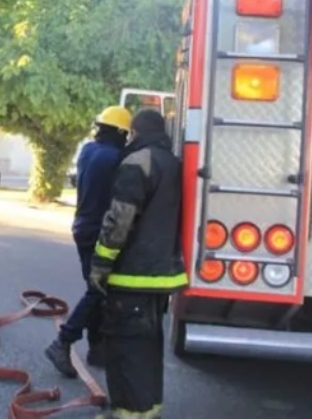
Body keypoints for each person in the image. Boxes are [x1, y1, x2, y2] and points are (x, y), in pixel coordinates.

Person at [89, 109, 188, 419]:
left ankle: (128, 412)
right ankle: (148, 408)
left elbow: (119, 219)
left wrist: (100, 263)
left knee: (126, 349)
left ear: (134, 133)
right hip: (159, 277)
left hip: (131, 275)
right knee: (147, 348)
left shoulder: (137, 162)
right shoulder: (172, 162)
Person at [44, 105, 131, 378]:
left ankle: (96, 349)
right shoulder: (117, 158)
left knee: (97, 290)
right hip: (98, 231)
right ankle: (63, 341)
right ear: (120, 133)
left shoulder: (87, 151)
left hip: (81, 226)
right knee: (98, 291)